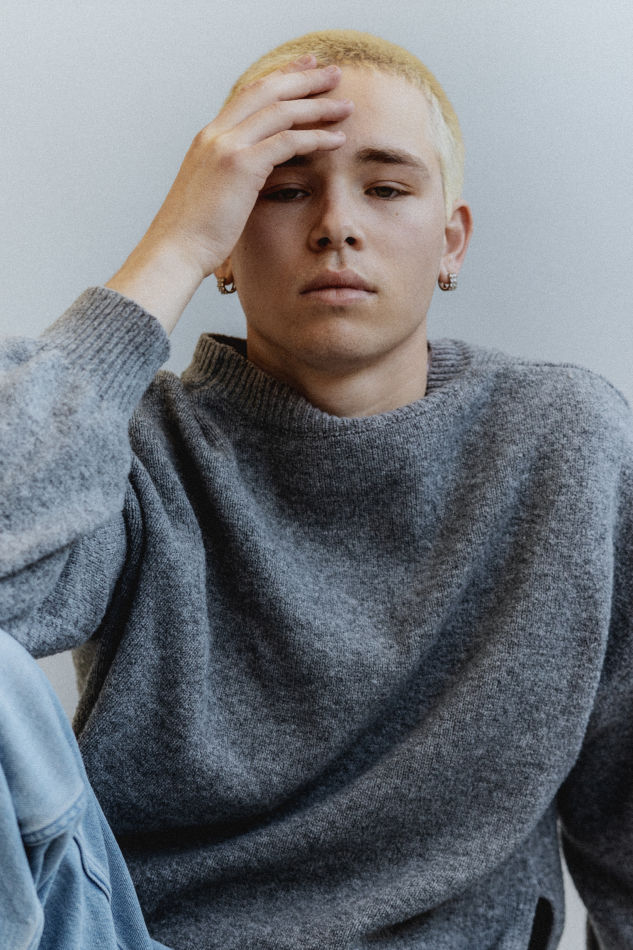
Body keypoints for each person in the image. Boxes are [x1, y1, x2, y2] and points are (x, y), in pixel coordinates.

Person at [0, 27, 631, 950]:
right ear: (224, 238)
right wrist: (172, 248)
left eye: (386, 189)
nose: (336, 224)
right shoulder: (130, 447)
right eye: (283, 189)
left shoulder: (564, 441)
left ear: (451, 242)